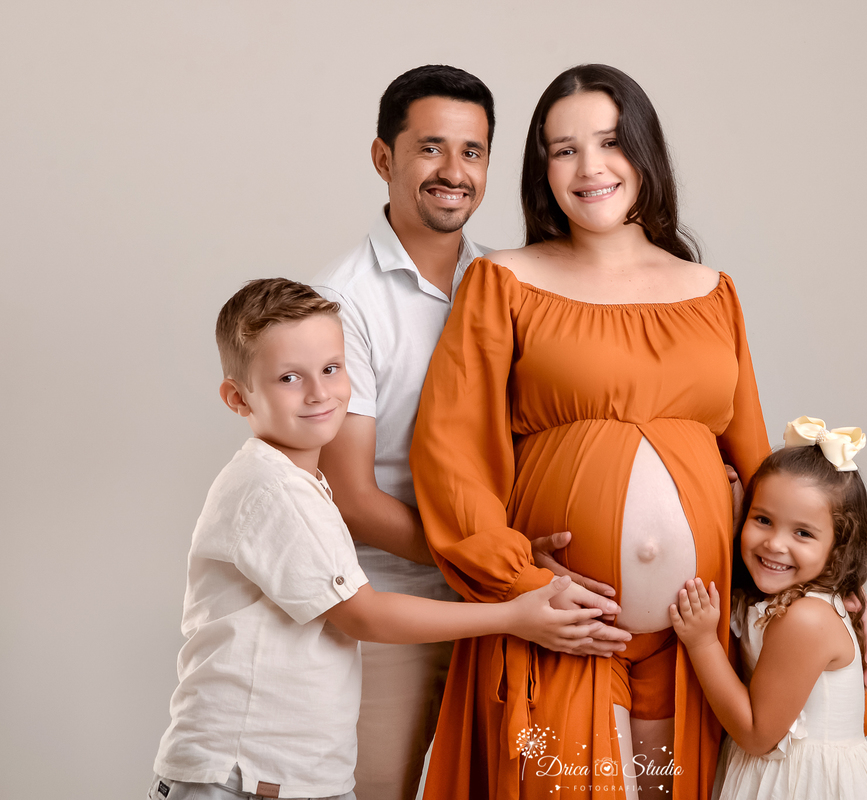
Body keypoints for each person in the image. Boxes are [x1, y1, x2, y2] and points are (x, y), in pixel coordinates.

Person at [410, 64, 771, 800]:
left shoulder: (712, 293)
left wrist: (824, 588)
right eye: (563, 150)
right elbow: (452, 457)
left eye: (610, 142)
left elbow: (759, 463)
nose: (589, 168)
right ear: (542, 171)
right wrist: (522, 583)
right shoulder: (504, 281)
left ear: (644, 151)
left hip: (692, 640)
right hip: (560, 627)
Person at [147, 278, 602, 800]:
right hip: (240, 777)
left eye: (331, 369)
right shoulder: (274, 488)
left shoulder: (298, 482)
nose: (319, 393)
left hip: (293, 776)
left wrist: (498, 557)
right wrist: (513, 616)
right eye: (290, 378)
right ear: (237, 397)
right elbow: (364, 615)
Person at [312, 65, 625, 800]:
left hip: (511, 607)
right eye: (430, 148)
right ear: (383, 158)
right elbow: (353, 497)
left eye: (473, 151)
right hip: (395, 607)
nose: (454, 172)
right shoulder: (340, 301)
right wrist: (493, 566)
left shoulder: (513, 280)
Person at [670, 417, 867, 800]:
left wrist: (702, 643)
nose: (775, 544)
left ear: (839, 547)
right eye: (763, 520)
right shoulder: (776, 598)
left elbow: (756, 734)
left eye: (803, 533)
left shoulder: (806, 619)